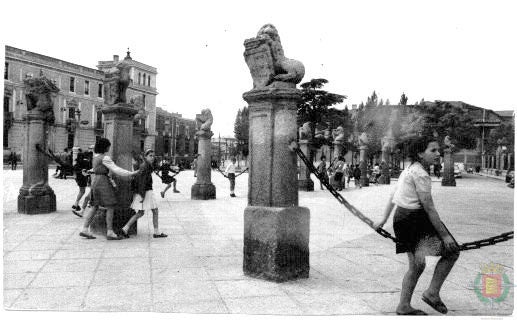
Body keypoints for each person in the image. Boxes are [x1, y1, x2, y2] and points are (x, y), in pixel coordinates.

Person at [373, 136, 460, 315]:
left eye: (438, 150)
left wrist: (383, 219)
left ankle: (404, 305)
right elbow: (429, 207)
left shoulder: (409, 170)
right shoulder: (420, 174)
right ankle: (432, 293)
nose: (438, 154)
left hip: (402, 219)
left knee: (416, 266)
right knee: (452, 251)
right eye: (433, 150)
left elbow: (393, 196)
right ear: (420, 153)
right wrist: (444, 235)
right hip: (415, 220)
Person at [78, 138, 140, 240]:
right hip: (103, 182)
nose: (109, 147)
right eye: (108, 146)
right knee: (110, 205)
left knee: (95, 206)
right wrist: (131, 173)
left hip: (95, 182)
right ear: (105, 146)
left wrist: (88, 171)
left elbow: (95, 169)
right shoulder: (105, 158)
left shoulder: (95, 157)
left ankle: (84, 229)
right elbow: (116, 169)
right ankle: (110, 231)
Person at [121, 149, 167, 238]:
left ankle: (125, 228)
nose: (152, 157)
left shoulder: (147, 165)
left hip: (145, 191)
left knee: (141, 213)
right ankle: (156, 232)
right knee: (154, 211)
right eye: (150, 156)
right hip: (146, 192)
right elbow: (141, 181)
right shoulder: (145, 166)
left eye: (153, 156)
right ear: (145, 156)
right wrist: (142, 195)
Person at [72, 150, 89, 216]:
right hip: (83, 178)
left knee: (81, 191)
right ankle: (75, 204)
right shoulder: (85, 162)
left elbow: (74, 172)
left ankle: (76, 204)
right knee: (82, 191)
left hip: (78, 178)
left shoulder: (76, 164)